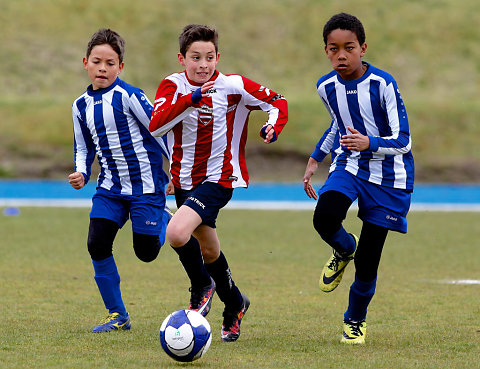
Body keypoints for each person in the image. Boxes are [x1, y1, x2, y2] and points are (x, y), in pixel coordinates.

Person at [149, 24, 288, 342]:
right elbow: (156, 126)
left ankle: (201, 287)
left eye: (209, 57)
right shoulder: (172, 86)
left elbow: (277, 102)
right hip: (184, 182)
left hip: (219, 179)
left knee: (175, 232)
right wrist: (190, 99)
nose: (203, 65)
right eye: (195, 57)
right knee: (209, 250)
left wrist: (271, 127)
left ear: (217, 57)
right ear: (182, 59)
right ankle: (235, 303)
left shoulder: (233, 86)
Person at [303, 13, 414, 344]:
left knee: (369, 262)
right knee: (324, 217)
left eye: (348, 48)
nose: (341, 55)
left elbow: (404, 139)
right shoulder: (326, 87)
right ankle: (343, 247)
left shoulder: (383, 84)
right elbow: (338, 124)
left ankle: (354, 319)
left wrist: (371, 142)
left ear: (362, 48)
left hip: (389, 176)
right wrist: (315, 158)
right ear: (326, 51)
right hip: (349, 165)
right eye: (333, 49)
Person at [68, 28, 171, 333]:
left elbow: (160, 130)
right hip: (110, 189)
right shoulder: (79, 106)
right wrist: (81, 173)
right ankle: (118, 315)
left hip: (146, 188)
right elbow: (83, 147)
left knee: (146, 253)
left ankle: (165, 220)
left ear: (120, 67)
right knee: (97, 243)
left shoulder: (129, 96)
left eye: (110, 63)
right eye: (97, 61)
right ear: (86, 62)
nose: (103, 68)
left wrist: (176, 171)